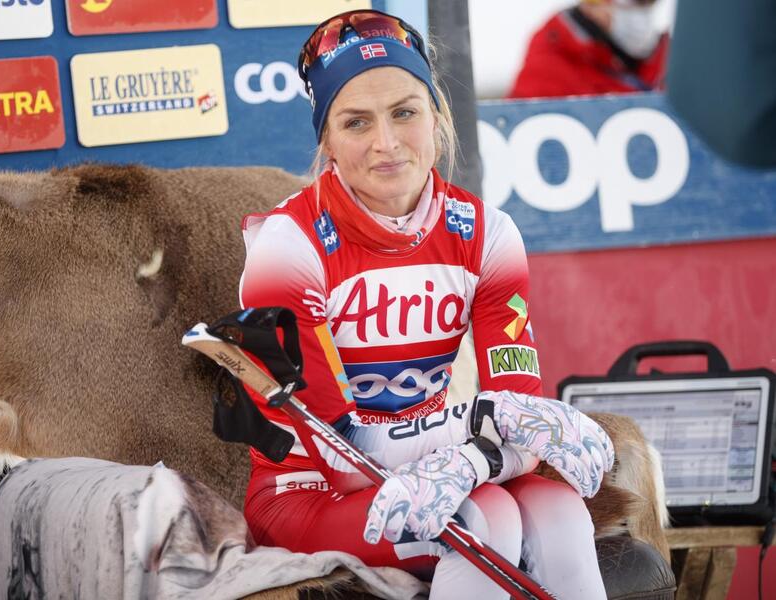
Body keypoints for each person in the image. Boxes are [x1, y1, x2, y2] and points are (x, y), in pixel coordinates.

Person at [238, 10, 614, 599]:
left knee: (560, 512)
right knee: (484, 520)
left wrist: (475, 459)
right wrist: (476, 429)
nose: (386, 143)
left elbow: (523, 415)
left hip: (444, 467)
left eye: (405, 113)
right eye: (356, 122)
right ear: (327, 140)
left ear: (437, 118)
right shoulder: (288, 247)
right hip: (308, 493)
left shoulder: (487, 234)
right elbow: (342, 457)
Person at [508, 0, 668, 99]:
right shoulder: (548, 68)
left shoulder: (671, 59)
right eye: (631, 5)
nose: (639, 16)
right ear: (593, 5)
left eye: (647, 3)